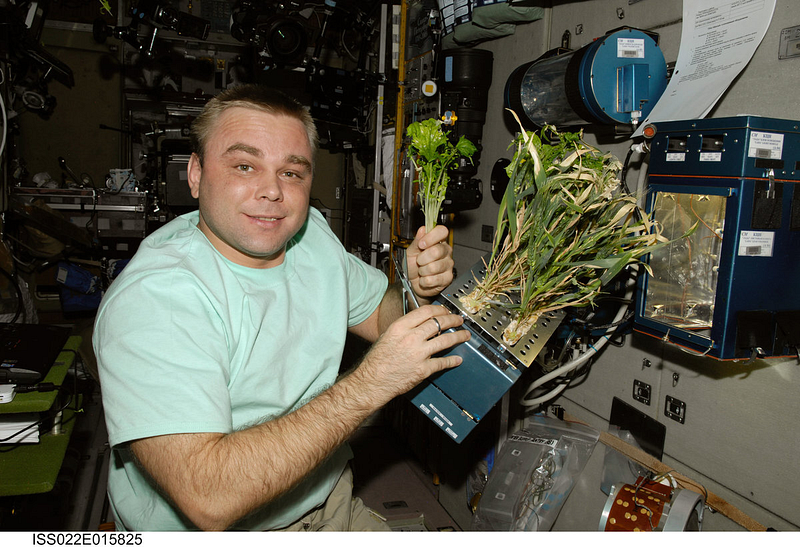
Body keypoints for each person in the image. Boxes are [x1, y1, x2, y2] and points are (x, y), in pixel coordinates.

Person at [92, 84, 471, 531]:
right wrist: (370, 384)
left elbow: (378, 315)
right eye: (244, 166)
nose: (272, 191)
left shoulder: (308, 233)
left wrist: (415, 291)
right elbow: (209, 498)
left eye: (292, 173)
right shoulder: (156, 299)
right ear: (195, 174)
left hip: (328, 497)